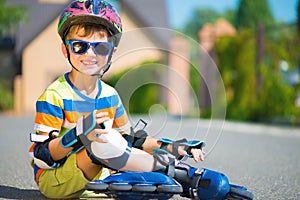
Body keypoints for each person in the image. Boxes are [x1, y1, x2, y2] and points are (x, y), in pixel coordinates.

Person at [28, 0, 205, 198]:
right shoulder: (54, 96)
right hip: (56, 180)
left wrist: (171, 147)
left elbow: (130, 141)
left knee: (112, 140)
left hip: (97, 175)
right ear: (65, 50)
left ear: (112, 52)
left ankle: (147, 177)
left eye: (101, 48)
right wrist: (80, 134)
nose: (90, 54)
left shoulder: (110, 96)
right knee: (103, 139)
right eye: (79, 46)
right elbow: (41, 156)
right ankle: (177, 174)